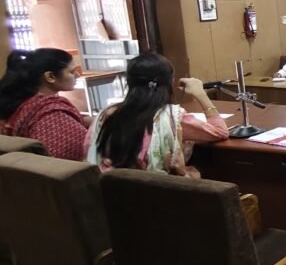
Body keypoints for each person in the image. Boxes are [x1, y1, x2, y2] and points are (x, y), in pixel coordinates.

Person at [85, 53, 227, 176]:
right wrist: (201, 94)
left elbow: (87, 148)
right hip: (157, 193)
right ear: (170, 82)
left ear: (128, 82)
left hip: (109, 191)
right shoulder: (171, 118)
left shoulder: (106, 115)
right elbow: (220, 131)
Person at [0, 49, 89, 161]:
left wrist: (97, 119)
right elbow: (88, 149)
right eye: (72, 72)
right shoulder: (50, 114)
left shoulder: (27, 104)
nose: (77, 75)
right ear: (50, 77)